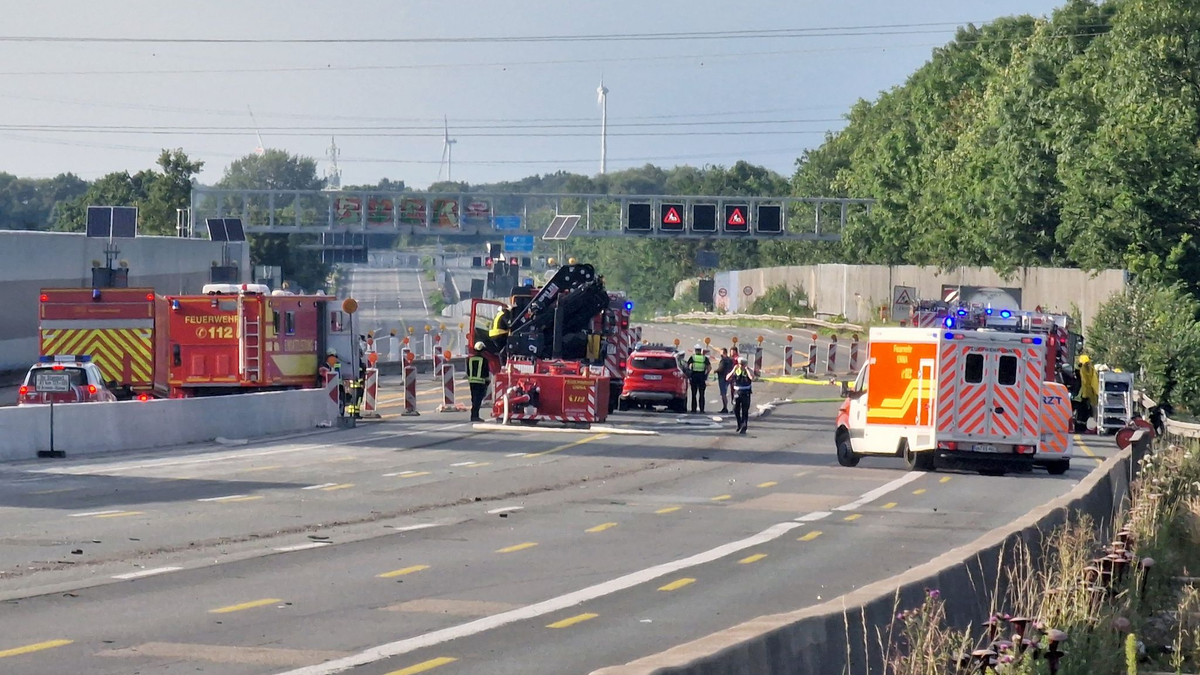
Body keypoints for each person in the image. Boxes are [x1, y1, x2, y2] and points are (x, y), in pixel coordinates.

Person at [727, 355, 753, 434]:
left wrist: (747, 370)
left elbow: (752, 377)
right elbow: (727, 378)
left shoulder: (748, 370)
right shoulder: (736, 369)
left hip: (746, 393)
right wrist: (733, 370)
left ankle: (744, 426)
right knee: (735, 409)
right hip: (737, 392)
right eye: (740, 364)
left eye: (742, 364)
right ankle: (739, 423)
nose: (741, 365)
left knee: (745, 410)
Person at [467, 341, 491, 422]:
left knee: (474, 399)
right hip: (480, 382)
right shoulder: (484, 360)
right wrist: (487, 382)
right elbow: (485, 372)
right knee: (478, 400)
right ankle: (475, 416)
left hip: (472, 382)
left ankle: (474, 415)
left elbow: (468, 371)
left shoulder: (470, 359)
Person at [686, 344, 711, 413]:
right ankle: (702, 409)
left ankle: (693, 409)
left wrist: (689, 373)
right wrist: (706, 374)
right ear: (700, 350)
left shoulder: (692, 357)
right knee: (702, 394)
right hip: (702, 377)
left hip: (694, 376)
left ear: (695, 350)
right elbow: (709, 367)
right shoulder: (704, 358)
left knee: (694, 394)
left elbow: (687, 365)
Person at [715, 347, 734, 413]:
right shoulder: (730, 360)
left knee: (723, 393)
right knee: (725, 393)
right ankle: (727, 407)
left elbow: (721, 369)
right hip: (728, 378)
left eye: (721, 353)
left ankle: (725, 408)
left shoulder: (723, 360)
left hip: (723, 378)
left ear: (724, 353)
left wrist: (715, 371)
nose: (720, 354)